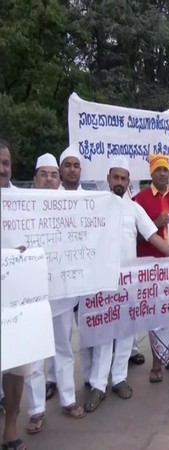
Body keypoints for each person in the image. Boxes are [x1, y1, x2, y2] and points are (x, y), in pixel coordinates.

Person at [79, 157, 169, 410]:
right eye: (115, 177)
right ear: (108, 179)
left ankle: (119, 379)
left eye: (123, 178)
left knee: (126, 332)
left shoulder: (134, 209)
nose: (119, 182)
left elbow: (153, 236)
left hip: (129, 281)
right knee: (105, 334)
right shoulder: (95, 205)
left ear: (128, 181)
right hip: (102, 281)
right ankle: (98, 385)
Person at [24, 153, 86, 434]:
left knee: (63, 348)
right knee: (34, 356)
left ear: (59, 179)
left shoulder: (71, 206)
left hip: (61, 293)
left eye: (53, 175)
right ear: (35, 179)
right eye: (44, 174)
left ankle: (69, 399)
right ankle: (36, 410)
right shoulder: (20, 208)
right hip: (31, 295)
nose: (49, 179)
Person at [134, 154, 169, 381]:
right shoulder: (139, 199)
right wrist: (155, 224)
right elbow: (134, 236)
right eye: (158, 170)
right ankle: (157, 364)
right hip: (152, 266)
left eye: (165, 170)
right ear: (151, 173)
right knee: (155, 316)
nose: (162, 174)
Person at [0, 139, 28, 450]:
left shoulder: (25, 201)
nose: (2, 168)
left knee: (16, 365)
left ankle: (10, 428)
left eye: (6, 163)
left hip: (17, 293)